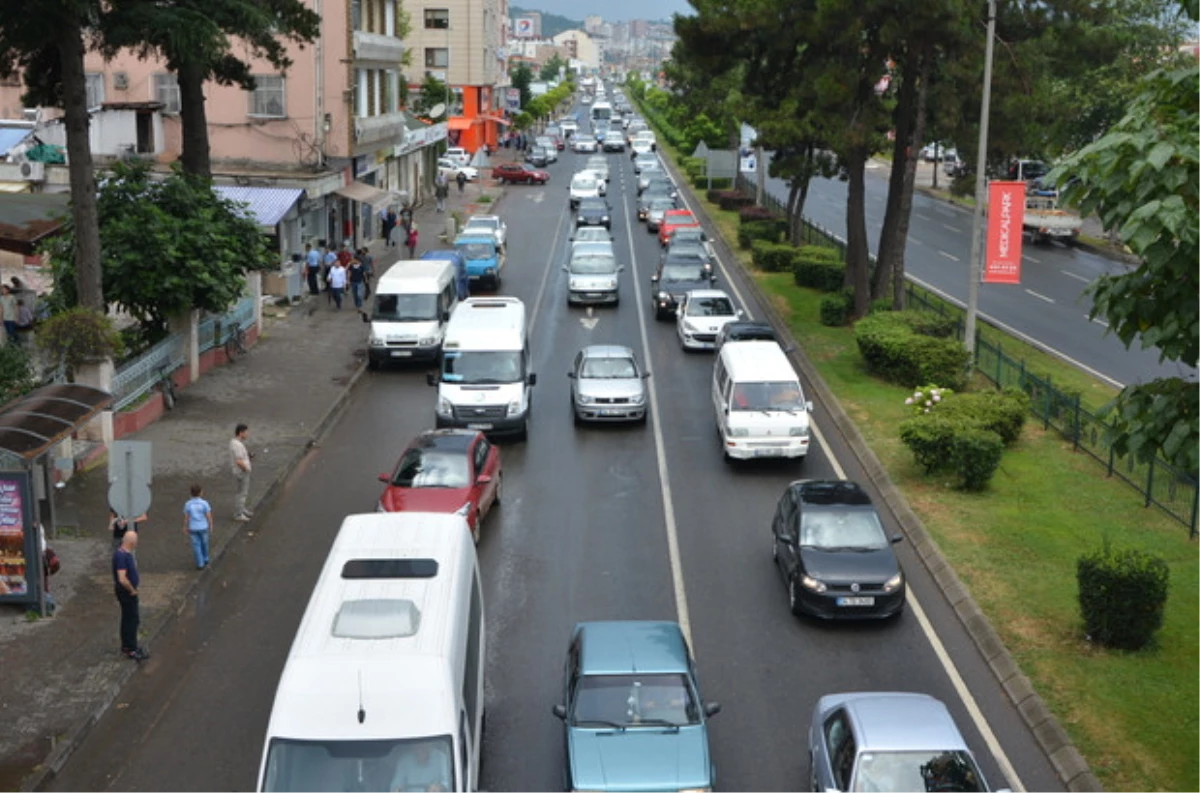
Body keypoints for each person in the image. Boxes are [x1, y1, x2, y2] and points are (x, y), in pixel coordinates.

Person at [112, 530, 148, 661]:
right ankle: (131, 648)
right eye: (136, 540)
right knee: (132, 619)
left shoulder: (123, 554)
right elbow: (122, 578)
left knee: (128, 618)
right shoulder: (122, 556)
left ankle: (127, 645)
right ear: (132, 542)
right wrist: (132, 590)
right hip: (126, 592)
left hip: (125, 591)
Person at [182, 484, 213, 570]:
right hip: (203, 526)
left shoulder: (188, 504)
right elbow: (208, 516)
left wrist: (185, 526)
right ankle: (205, 558)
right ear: (201, 493)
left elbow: (187, 517)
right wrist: (211, 525)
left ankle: (200, 563)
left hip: (193, 527)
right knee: (205, 543)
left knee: (196, 545)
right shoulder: (204, 503)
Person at [230, 423, 254, 522]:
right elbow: (239, 461)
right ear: (241, 432)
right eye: (246, 432)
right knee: (242, 493)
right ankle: (238, 514)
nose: (247, 434)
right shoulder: (237, 445)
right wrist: (246, 469)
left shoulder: (234, 443)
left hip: (240, 471)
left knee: (242, 492)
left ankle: (242, 509)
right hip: (241, 472)